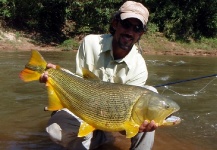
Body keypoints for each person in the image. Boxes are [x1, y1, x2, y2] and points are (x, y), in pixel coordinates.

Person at [40, 1, 158, 149]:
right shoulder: (90, 44)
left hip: (114, 119)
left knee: (151, 98)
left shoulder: (139, 67)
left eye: (137, 28)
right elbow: (77, 84)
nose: (130, 32)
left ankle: (102, 137)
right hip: (82, 107)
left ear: (141, 33)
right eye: (126, 24)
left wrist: (135, 125)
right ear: (115, 23)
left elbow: (125, 128)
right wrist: (56, 76)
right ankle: (94, 139)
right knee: (55, 130)